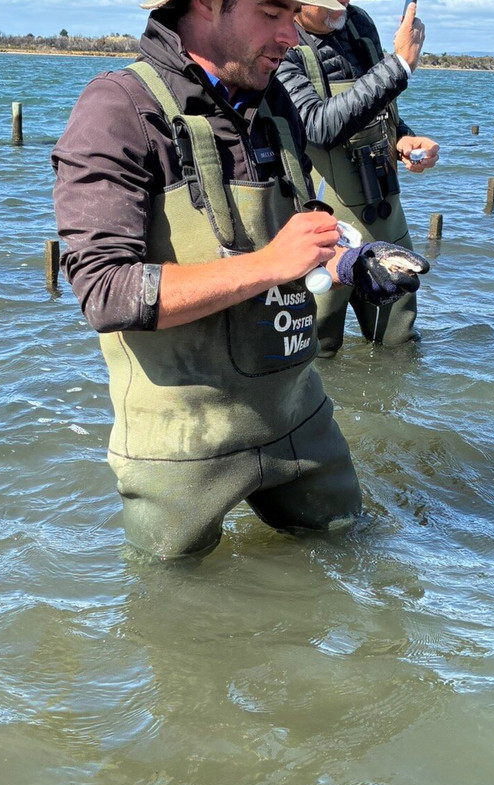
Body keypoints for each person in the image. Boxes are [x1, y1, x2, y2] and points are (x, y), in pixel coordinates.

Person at [51, 0, 424, 559]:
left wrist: (347, 261)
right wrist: (270, 263)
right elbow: (108, 293)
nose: (290, 36)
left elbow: (299, 230)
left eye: (293, 15)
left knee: (359, 558)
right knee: (171, 599)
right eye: (272, 14)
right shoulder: (117, 108)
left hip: (300, 418)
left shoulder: (276, 102)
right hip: (182, 442)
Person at [275, 0, 439, 357]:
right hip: (324, 228)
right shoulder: (279, 35)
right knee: (315, 350)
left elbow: (376, 106)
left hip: (385, 214)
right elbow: (318, 126)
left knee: (400, 345)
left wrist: (402, 139)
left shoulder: (358, 23)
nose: (343, 5)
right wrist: (400, 64)